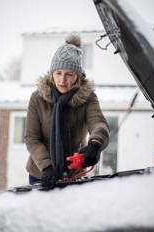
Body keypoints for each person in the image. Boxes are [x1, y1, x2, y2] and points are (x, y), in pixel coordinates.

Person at [25, 35, 110, 189]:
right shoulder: (37, 98)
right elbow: (32, 138)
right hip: (41, 173)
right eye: (58, 73)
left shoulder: (88, 98)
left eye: (69, 74)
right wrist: (47, 166)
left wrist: (95, 144)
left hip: (74, 173)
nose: (62, 80)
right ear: (52, 74)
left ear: (77, 76)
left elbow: (99, 123)